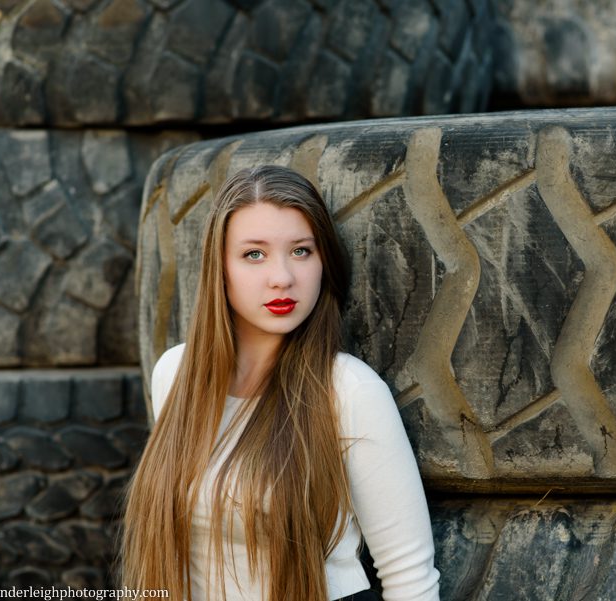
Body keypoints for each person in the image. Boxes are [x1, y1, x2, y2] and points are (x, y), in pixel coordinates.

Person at [120, 165, 441, 601]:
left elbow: (410, 579)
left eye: (301, 251)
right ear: (220, 268)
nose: (283, 277)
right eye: (254, 254)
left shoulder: (349, 391)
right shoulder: (174, 373)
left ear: (324, 262)